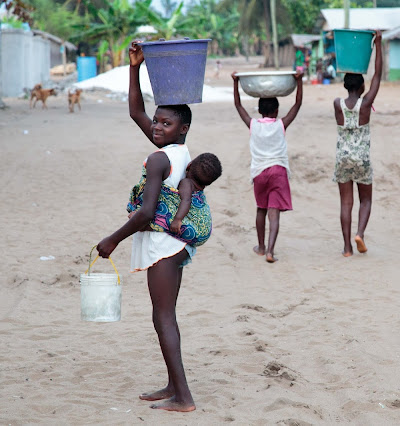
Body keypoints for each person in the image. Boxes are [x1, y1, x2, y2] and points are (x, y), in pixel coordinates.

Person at [96, 41, 220, 412]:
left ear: (183, 128)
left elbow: (146, 213)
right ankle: (172, 384)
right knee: (163, 315)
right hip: (175, 246)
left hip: (163, 246)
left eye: (166, 124)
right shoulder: (177, 151)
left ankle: (183, 396)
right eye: (157, 122)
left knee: (163, 317)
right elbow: (137, 112)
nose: (157, 128)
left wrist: (112, 240)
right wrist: (135, 67)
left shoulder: (158, 159)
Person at [231, 69, 304, 263]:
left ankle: (261, 247)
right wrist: (300, 82)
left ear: (260, 110)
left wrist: (235, 82)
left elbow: (238, 105)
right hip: (278, 171)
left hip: (259, 173)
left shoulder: (253, 124)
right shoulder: (281, 124)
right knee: (274, 213)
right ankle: (271, 251)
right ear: (277, 111)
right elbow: (297, 105)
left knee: (260, 209)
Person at [332, 30, 382, 257]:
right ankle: (359, 233)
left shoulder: (337, 104)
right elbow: (378, 76)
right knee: (366, 200)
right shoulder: (365, 104)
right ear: (362, 86)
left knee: (345, 203)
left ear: (345, 85)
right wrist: (378, 45)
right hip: (362, 159)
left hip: (343, 158)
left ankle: (346, 248)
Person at [127, 152, 222, 247]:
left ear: (189, 165)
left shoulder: (186, 183)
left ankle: (145, 225)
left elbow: (186, 200)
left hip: (194, 231)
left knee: (166, 217)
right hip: (205, 230)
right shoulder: (198, 190)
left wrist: (178, 219)